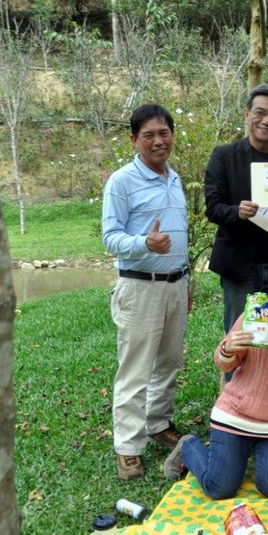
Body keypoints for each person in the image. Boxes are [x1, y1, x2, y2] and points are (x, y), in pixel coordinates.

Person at [163, 252, 268, 499]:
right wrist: (228, 348)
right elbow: (224, 364)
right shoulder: (261, 314)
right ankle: (188, 445)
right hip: (236, 414)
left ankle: (253, 452)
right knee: (220, 488)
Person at [101, 104, 189, 480]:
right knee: (135, 371)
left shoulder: (174, 178)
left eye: (164, 133)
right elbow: (110, 238)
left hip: (175, 285)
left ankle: (157, 423)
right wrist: (143, 244)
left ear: (171, 135)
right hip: (139, 287)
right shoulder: (122, 181)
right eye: (149, 135)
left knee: (168, 363)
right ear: (134, 140)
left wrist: (185, 283)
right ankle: (128, 447)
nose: (158, 140)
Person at [205, 84, 268, 335]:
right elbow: (213, 208)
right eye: (259, 112)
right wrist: (237, 211)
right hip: (240, 266)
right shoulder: (225, 156)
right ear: (246, 114)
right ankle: (235, 377)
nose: (266, 120)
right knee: (240, 338)